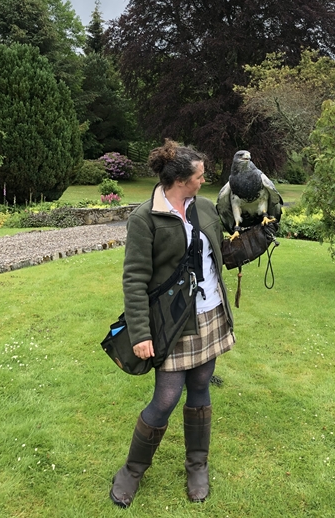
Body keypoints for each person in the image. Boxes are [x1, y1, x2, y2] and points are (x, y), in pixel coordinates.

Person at [110, 139, 235, 507]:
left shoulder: (205, 207)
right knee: (165, 399)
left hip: (210, 312)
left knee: (200, 385)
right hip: (172, 321)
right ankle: (132, 470)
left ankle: (197, 466)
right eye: (199, 176)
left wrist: (251, 244)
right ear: (180, 179)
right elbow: (135, 279)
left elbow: (219, 253)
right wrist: (140, 333)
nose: (204, 180)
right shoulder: (145, 218)